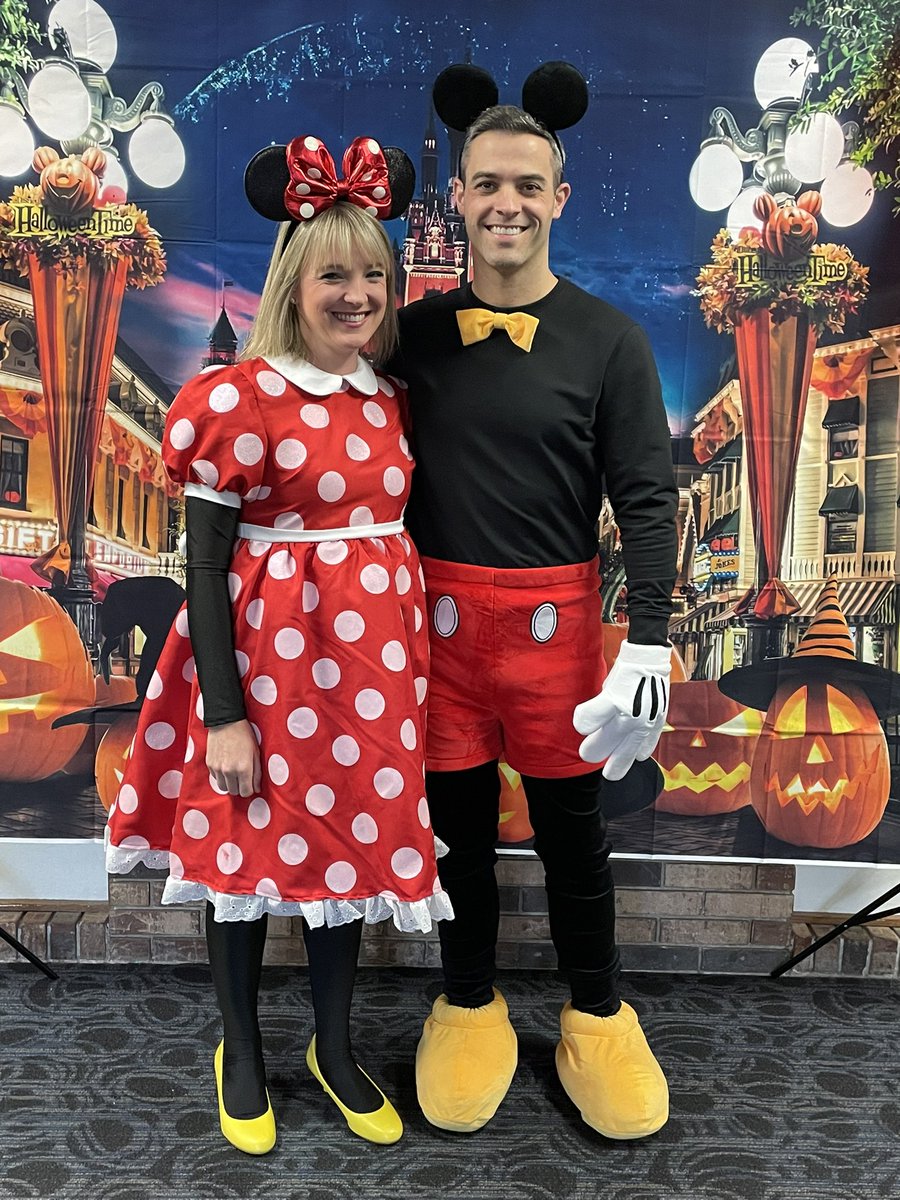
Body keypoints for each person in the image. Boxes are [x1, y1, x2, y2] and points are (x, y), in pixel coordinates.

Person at [105, 133, 452, 1153]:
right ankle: (243, 1050)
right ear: (294, 282)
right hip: (269, 677)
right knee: (246, 858)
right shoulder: (239, 401)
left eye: (373, 275)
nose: (358, 295)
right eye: (334, 275)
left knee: (347, 866)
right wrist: (224, 715)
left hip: (373, 677)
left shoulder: (391, 402)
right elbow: (205, 570)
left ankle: (333, 1050)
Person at [392, 63, 678, 1139]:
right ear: (456, 196)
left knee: (572, 840)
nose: (506, 203)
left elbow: (647, 500)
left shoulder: (611, 341)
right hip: (438, 632)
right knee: (457, 839)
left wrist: (649, 640)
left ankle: (597, 1016)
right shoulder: (412, 337)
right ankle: (468, 1003)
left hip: (560, 635)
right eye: (486, 184)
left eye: (526, 184)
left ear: (559, 196)